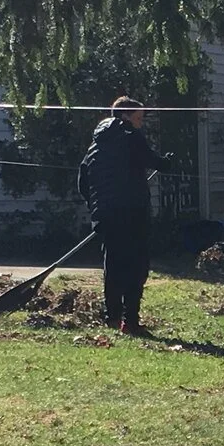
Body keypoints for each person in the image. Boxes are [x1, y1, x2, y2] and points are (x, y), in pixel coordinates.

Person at [76, 96, 170, 335]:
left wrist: (96, 206)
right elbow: (152, 160)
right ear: (125, 116)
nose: (140, 123)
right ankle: (130, 321)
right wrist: (167, 163)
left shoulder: (95, 145)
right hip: (132, 213)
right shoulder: (130, 136)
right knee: (136, 267)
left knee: (113, 266)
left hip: (105, 215)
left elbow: (83, 180)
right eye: (138, 118)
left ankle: (113, 317)